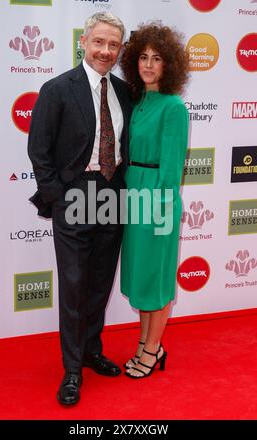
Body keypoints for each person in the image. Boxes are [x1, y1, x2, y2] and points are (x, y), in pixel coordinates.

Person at [28, 12, 131, 404]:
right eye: (99, 42)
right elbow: (39, 150)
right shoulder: (57, 89)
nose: (106, 51)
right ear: (83, 42)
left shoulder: (123, 92)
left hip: (112, 193)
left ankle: (90, 351)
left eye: (113, 45)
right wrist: (57, 198)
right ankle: (71, 370)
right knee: (73, 286)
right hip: (74, 195)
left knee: (99, 283)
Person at [120, 22, 189, 378]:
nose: (148, 64)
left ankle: (153, 349)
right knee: (143, 277)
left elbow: (172, 167)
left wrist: (159, 212)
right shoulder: (139, 100)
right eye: (143, 57)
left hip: (157, 200)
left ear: (169, 64)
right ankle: (146, 342)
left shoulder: (173, 107)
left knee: (158, 278)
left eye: (157, 58)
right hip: (133, 194)